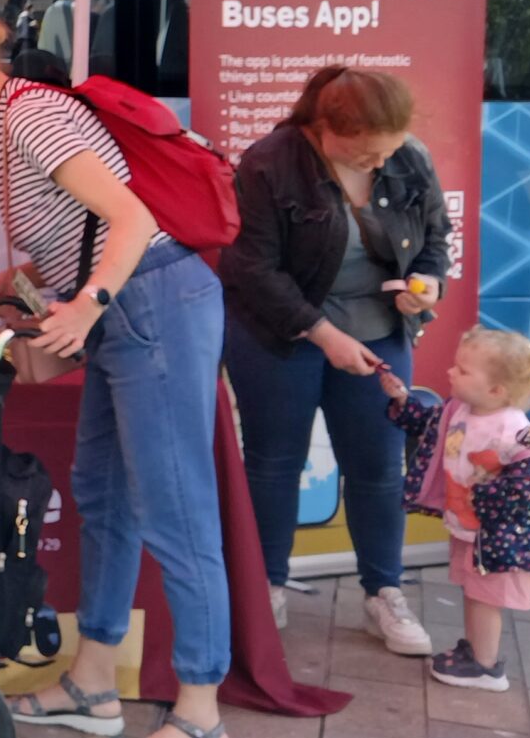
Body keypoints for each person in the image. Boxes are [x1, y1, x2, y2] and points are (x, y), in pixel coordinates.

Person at [0, 9, 226, 738]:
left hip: (154, 300)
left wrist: (87, 305)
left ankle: (201, 707)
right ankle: (93, 684)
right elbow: (84, 228)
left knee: (176, 509)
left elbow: (132, 219)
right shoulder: (15, 118)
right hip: (135, 305)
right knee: (105, 498)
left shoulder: (32, 116)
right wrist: (38, 291)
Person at [220, 67, 446, 651]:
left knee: (378, 466)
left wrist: (427, 280)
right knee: (273, 462)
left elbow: (436, 237)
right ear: (324, 130)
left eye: (388, 150)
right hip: (279, 335)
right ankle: (266, 585)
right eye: (368, 152)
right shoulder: (269, 162)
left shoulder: (408, 155)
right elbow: (251, 269)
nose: (379, 162)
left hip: (380, 331)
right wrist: (322, 334)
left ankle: (383, 593)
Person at [380, 329, 530, 691]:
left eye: (462, 371)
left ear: (497, 391)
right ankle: (476, 652)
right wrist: (402, 400)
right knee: (473, 593)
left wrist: (486, 496)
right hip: (471, 530)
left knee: (485, 599)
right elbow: (428, 427)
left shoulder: (515, 431)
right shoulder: (458, 409)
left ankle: (486, 667)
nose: (451, 373)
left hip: (497, 540)